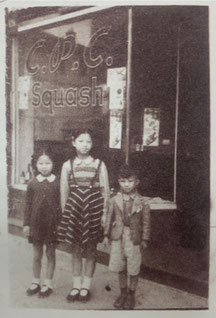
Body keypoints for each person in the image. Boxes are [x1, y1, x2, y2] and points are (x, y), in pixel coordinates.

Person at [58, 128, 110, 302]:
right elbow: (64, 193)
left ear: (92, 144)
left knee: (90, 251)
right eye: (81, 141)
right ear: (73, 143)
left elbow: (105, 192)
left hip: (93, 212)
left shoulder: (99, 165)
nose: (84, 145)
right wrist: (67, 216)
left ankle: (85, 286)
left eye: (88, 141)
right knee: (75, 251)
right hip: (74, 212)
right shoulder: (68, 165)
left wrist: (104, 216)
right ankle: (76, 285)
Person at [103, 164, 150, 310]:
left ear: (136, 182)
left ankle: (131, 295)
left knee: (133, 267)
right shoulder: (114, 199)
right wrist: (105, 235)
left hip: (134, 237)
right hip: (118, 236)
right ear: (119, 181)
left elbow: (146, 221)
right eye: (123, 181)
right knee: (120, 265)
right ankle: (122, 293)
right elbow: (109, 217)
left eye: (130, 181)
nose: (126, 184)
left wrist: (145, 239)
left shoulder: (143, 201)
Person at [23, 148, 60, 298]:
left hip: (52, 224)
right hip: (36, 224)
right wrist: (26, 224)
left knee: (50, 253)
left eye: (48, 163)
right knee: (37, 254)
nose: (44, 166)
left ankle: (48, 283)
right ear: (36, 165)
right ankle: (35, 281)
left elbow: (61, 204)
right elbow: (28, 205)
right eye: (41, 163)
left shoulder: (57, 182)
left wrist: (60, 223)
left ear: (53, 164)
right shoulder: (32, 183)